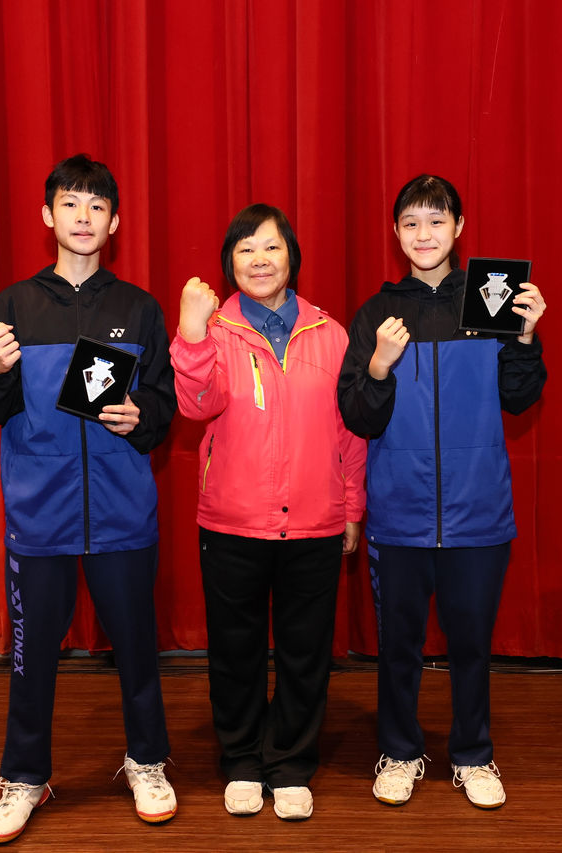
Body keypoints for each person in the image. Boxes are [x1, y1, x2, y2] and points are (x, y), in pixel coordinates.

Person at [0, 154, 178, 843]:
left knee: (138, 651)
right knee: (31, 657)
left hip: (123, 513)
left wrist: (139, 416)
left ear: (114, 222)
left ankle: (148, 762)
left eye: (96, 206)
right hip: (41, 517)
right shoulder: (15, 304)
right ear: (47, 215)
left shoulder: (138, 307)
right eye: (70, 204)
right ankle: (25, 776)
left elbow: (164, 406)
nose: (83, 217)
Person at [337, 174, 547, 811]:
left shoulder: (492, 300)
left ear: (458, 228)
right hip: (398, 513)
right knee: (397, 647)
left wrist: (526, 337)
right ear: (396, 233)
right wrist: (379, 365)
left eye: (436, 220)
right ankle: (400, 751)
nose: (423, 234)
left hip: (478, 511)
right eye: (411, 222)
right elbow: (358, 416)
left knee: (471, 646)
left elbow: (520, 397)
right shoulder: (377, 312)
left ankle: (474, 755)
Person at [170, 204, 366, 820]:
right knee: (237, 652)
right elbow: (195, 405)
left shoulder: (330, 333)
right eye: (245, 249)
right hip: (232, 521)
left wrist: (352, 504)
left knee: (307, 653)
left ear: (292, 257)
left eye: (272, 247)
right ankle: (242, 761)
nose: (259, 260)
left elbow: (350, 431)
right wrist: (192, 334)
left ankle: (291, 763)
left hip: (315, 520)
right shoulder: (215, 329)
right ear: (230, 262)